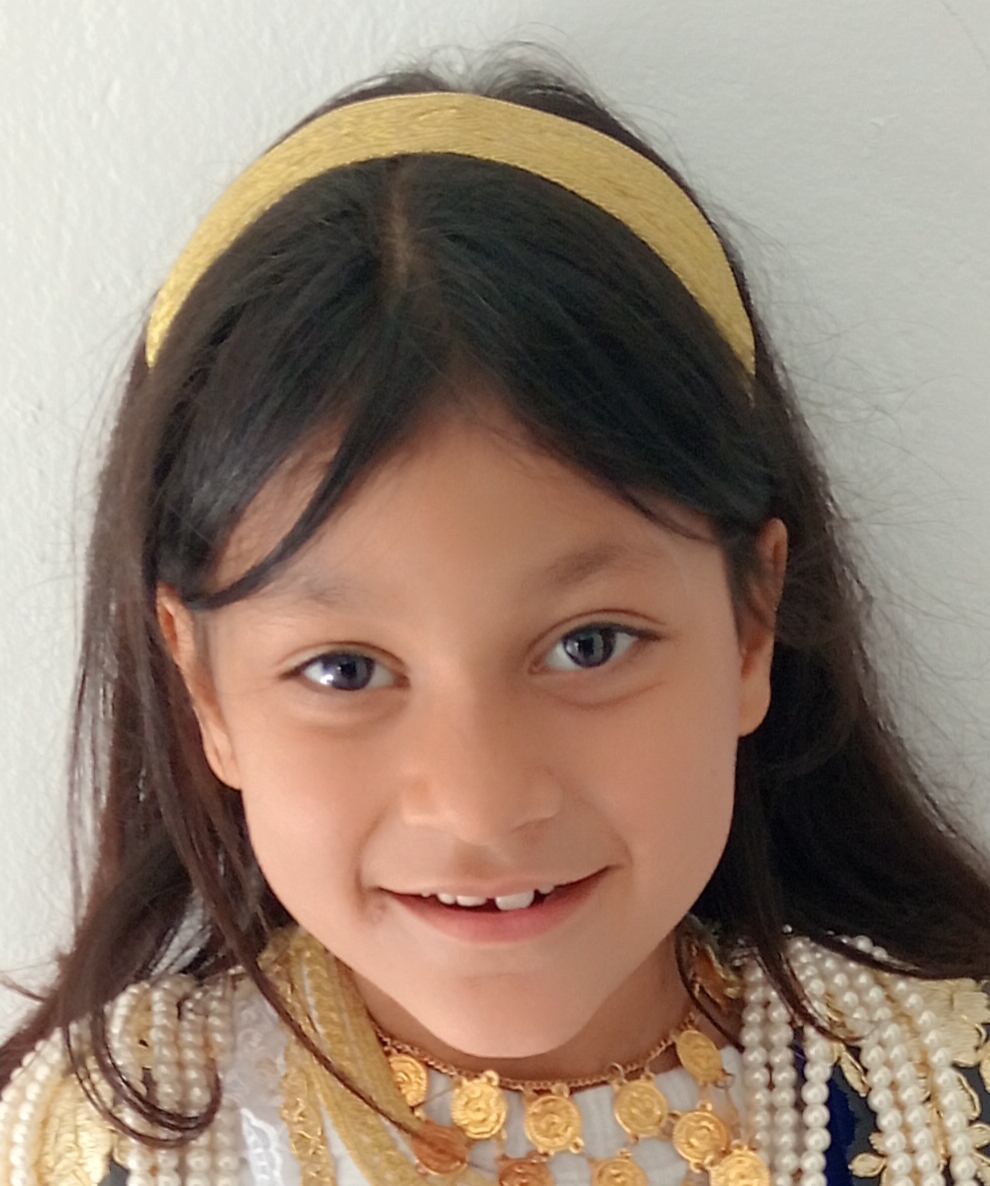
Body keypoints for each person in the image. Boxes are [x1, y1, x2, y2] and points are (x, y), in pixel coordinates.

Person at [2, 57, 990, 1186]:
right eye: (344, 669)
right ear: (205, 690)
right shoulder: (97, 1148)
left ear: (751, 623)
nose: (479, 803)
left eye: (588, 645)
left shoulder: (946, 1098)